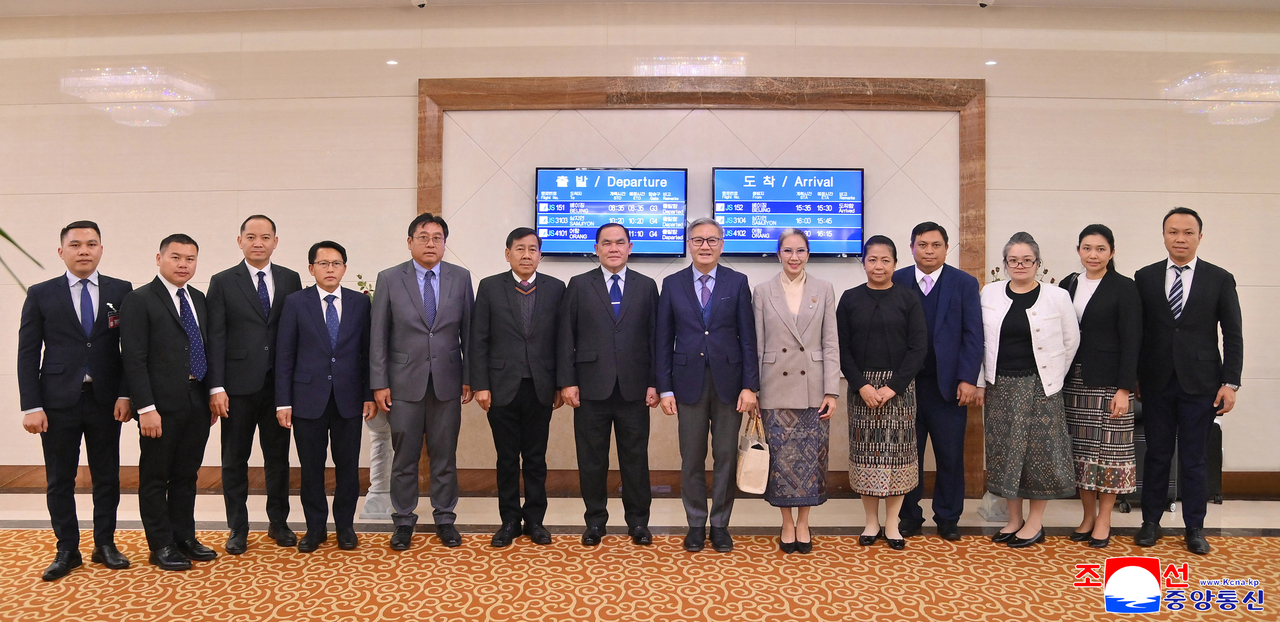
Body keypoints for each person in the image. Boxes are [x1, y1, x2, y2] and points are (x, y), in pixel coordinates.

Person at [18, 221, 133, 580]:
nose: (84, 250)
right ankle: (67, 549)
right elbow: (27, 352)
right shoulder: (41, 293)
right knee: (59, 479)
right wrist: (30, 405)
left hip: (105, 400)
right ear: (61, 251)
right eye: (76, 244)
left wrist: (125, 393)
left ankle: (105, 544)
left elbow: (130, 348)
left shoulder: (121, 290)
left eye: (91, 244)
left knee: (107, 477)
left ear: (101, 249)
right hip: (56, 402)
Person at [1134, 207, 1242, 556]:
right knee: (1157, 455)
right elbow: (1138, 332)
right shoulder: (1145, 277)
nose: (1180, 238)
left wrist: (1231, 382)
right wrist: (1134, 377)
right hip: (1155, 382)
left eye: (1188, 232)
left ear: (1200, 236)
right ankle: (1150, 522)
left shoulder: (1219, 278)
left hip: (1202, 383)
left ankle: (1195, 527)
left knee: (1195, 458)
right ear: (1163, 235)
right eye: (1173, 232)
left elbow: (1233, 334)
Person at [370, 213, 474, 550]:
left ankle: (445, 519)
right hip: (402, 384)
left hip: (447, 382)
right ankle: (403, 522)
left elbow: (469, 334)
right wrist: (379, 382)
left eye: (437, 237)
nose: (431, 243)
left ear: (445, 242)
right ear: (410, 241)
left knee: (445, 455)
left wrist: (469, 377)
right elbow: (378, 336)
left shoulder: (461, 278)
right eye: (423, 236)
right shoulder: (389, 278)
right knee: (405, 457)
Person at [657, 217, 759, 554]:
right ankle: (696, 524)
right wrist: (665, 388)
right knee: (691, 457)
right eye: (698, 240)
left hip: (730, 384)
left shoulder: (738, 281)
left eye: (712, 240)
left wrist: (750, 386)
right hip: (687, 384)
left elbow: (748, 338)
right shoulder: (672, 283)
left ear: (722, 244)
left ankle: (720, 525)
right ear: (689, 244)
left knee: (727, 455)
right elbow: (663, 340)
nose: (705, 246)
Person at [120, 234, 217, 571]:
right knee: (156, 477)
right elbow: (133, 359)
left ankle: (184, 537)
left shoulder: (199, 299)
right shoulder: (139, 299)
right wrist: (145, 408)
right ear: (159, 258)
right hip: (159, 406)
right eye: (175, 257)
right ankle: (160, 544)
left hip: (196, 400)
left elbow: (203, 347)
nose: (183, 264)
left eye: (190, 259)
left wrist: (209, 396)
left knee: (187, 475)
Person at [558, 223, 659, 547]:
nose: (613, 248)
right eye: (606, 243)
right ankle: (595, 522)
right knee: (591, 459)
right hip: (590, 388)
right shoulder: (578, 284)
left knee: (636, 459)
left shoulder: (646, 286)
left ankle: (639, 523)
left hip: (634, 387)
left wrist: (655, 383)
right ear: (597, 248)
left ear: (630, 247)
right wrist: (568, 382)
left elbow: (655, 338)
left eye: (619, 243)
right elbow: (565, 339)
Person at [206, 214, 302, 554]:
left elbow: (295, 332)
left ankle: (278, 522)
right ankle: (238, 527)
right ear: (240, 241)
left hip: (279, 386)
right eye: (251, 237)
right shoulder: (222, 281)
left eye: (265, 237)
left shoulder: (291, 279)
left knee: (278, 459)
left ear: (276, 242)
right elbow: (214, 337)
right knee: (235, 460)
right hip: (236, 388)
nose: (258, 242)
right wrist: (215, 387)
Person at [979, 231, 1079, 548]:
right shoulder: (989, 293)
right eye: (1013, 260)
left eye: (1026, 260)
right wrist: (981, 380)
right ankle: (1014, 520)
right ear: (1005, 263)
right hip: (1000, 387)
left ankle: (1035, 522)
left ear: (1037, 263)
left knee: (1039, 455)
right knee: (1005, 454)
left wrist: (1053, 378)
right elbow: (980, 342)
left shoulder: (1057, 296)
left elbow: (1070, 341)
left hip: (1041, 388)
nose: (1020, 265)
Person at [275, 241, 375, 553]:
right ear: (311, 268)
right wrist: (283, 401)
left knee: (347, 468)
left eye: (335, 263)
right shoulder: (295, 303)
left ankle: (345, 527)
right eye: (323, 263)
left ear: (344, 268)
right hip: (307, 399)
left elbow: (367, 353)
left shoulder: (360, 304)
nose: (329, 269)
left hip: (349, 398)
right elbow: (285, 355)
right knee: (311, 468)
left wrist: (369, 395)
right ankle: (315, 528)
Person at [471, 228, 566, 548]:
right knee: (507, 457)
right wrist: (481, 384)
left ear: (540, 254)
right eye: (520, 249)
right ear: (507, 253)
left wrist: (560, 383)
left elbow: (562, 342)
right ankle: (510, 520)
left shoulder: (555, 288)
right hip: (500, 387)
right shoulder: (489, 287)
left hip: (541, 386)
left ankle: (536, 520)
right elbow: (478, 339)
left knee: (536, 458)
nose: (527, 255)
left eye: (533, 249)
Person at [836, 235, 927, 551]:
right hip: (861, 388)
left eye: (885, 260)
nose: (878, 265)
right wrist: (861, 385)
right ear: (863, 263)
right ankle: (871, 521)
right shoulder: (849, 299)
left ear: (895, 264)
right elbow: (841, 348)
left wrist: (892, 387)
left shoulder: (908, 299)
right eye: (872, 259)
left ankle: (892, 523)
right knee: (866, 455)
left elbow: (919, 348)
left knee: (897, 457)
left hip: (899, 389)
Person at [751, 229, 839, 554]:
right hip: (774, 385)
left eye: (800, 250)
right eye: (787, 251)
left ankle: (804, 521)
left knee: (812, 460)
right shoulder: (762, 292)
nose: (794, 257)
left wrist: (832, 390)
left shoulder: (824, 289)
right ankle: (786, 522)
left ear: (808, 253)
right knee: (782, 461)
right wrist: (754, 390)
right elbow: (756, 344)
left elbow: (830, 343)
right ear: (778, 254)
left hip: (813, 387)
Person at [894, 222, 984, 542]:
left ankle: (948, 517)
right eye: (922, 245)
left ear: (947, 248)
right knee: (907, 455)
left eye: (935, 245)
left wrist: (968, 379)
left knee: (949, 455)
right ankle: (909, 516)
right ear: (912, 247)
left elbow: (974, 335)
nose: (929, 251)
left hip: (948, 387)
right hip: (904, 388)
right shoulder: (897, 279)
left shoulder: (964, 283)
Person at [1060, 224, 1142, 549]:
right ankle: (1087, 516)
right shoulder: (1068, 284)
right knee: (1081, 453)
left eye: (1100, 249)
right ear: (1079, 250)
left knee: (1109, 452)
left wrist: (1125, 388)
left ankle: (1105, 519)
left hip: (1110, 384)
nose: (1093, 255)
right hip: (1074, 382)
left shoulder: (1125, 288)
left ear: (1111, 251)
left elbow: (1133, 341)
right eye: (1087, 248)